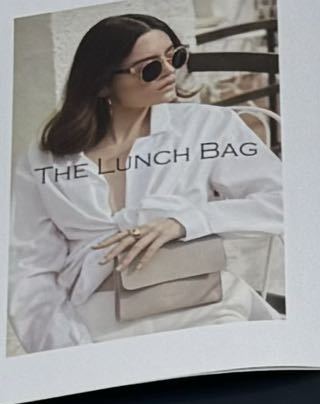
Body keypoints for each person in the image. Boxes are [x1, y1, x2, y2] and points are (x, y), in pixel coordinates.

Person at [9, 13, 284, 354]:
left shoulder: (207, 128)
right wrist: (69, 351)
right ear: (101, 84)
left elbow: (284, 200)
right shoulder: (44, 161)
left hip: (202, 306)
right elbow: (29, 270)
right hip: (96, 326)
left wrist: (184, 222)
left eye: (175, 57)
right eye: (150, 68)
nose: (170, 72)